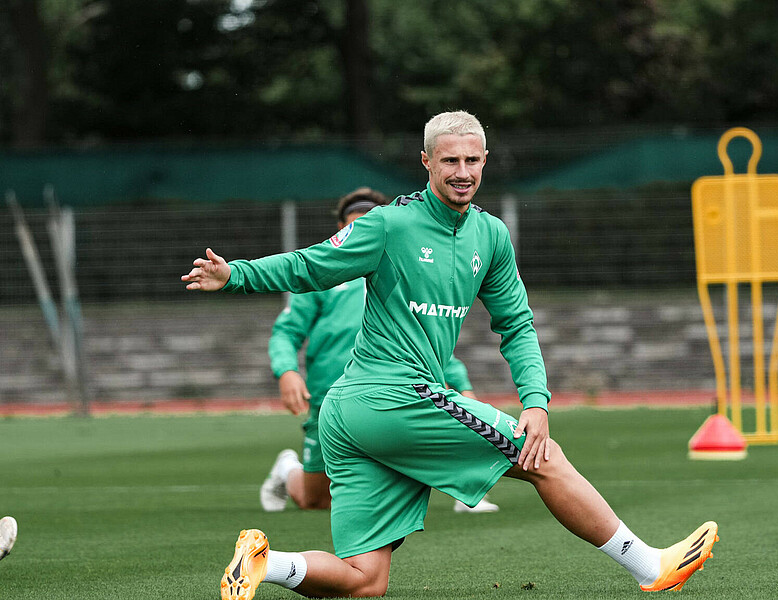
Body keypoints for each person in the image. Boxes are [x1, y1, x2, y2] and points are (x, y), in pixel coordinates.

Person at [183, 111, 717, 599]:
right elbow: (312, 265)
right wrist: (235, 276)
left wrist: (536, 400)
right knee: (542, 457)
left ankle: (264, 563)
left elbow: (516, 323)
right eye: (449, 161)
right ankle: (650, 566)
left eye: (471, 160)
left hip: (352, 414)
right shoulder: (388, 224)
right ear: (426, 163)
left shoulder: (491, 235)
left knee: (364, 582)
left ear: (485, 161)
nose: (462, 171)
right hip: (388, 396)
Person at [261, 187, 498, 514]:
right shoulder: (326, 277)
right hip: (330, 397)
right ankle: (288, 469)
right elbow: (286, 331)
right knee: (316, 500)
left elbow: (430, 336)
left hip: (395, 387)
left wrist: (460, 382)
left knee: (432, 432)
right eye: (351, 227)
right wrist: (286, 370)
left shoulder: (404, 273)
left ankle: (468, 494)